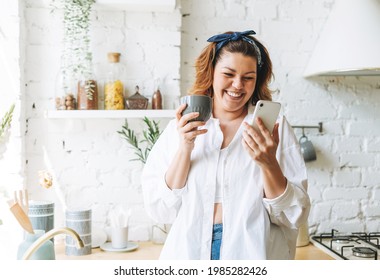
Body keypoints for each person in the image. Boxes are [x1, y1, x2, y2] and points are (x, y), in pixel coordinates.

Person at [141, 30, 310, 260]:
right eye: (229, 74)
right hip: (189, 250)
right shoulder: (180, 128)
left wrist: (268, 163)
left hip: (250, 252)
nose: (238, 85)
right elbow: (160, 209)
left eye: (248, 77)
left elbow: (293, 216)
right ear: (211, 73)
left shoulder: (272, 128)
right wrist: (185, 148)